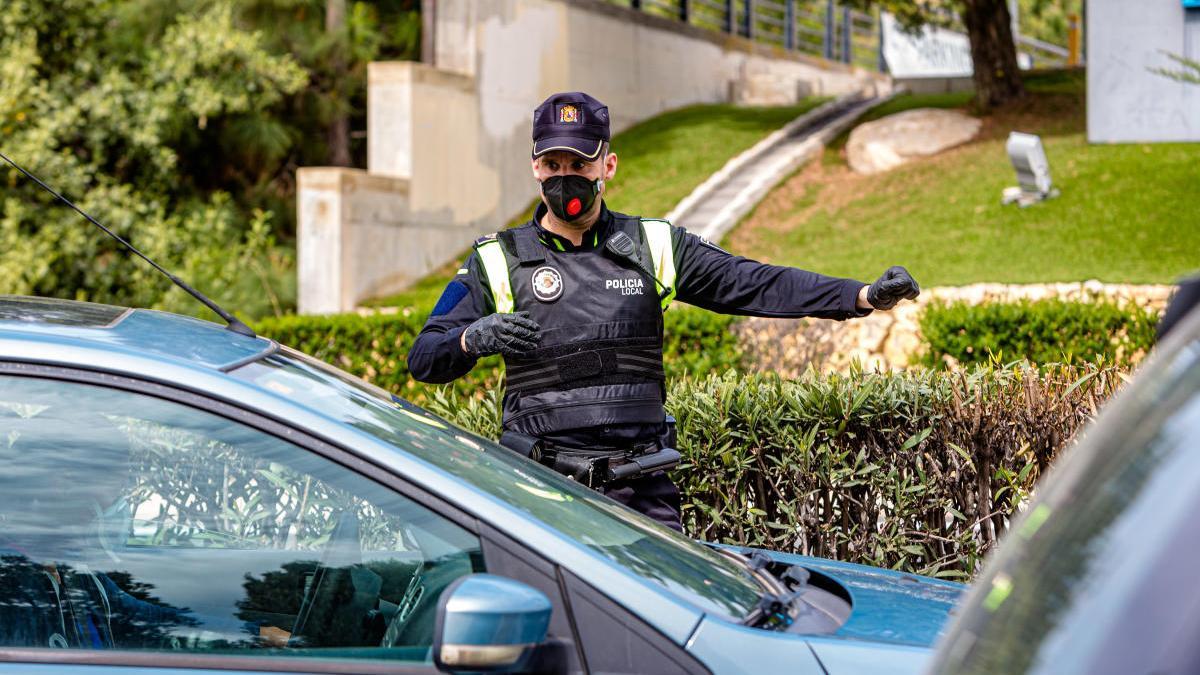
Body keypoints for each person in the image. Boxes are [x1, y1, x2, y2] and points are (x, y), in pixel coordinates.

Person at [407, 91, 920, 531]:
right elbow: (425, 359)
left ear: (607, 165)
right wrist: (472, 339)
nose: (566, 178)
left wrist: (860, 296)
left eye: (580, 165)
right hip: (540, 495)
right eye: (553, 165)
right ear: (535, 166)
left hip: (642, 494)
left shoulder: (654, 245)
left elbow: (755, 282)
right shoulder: (496, 258)